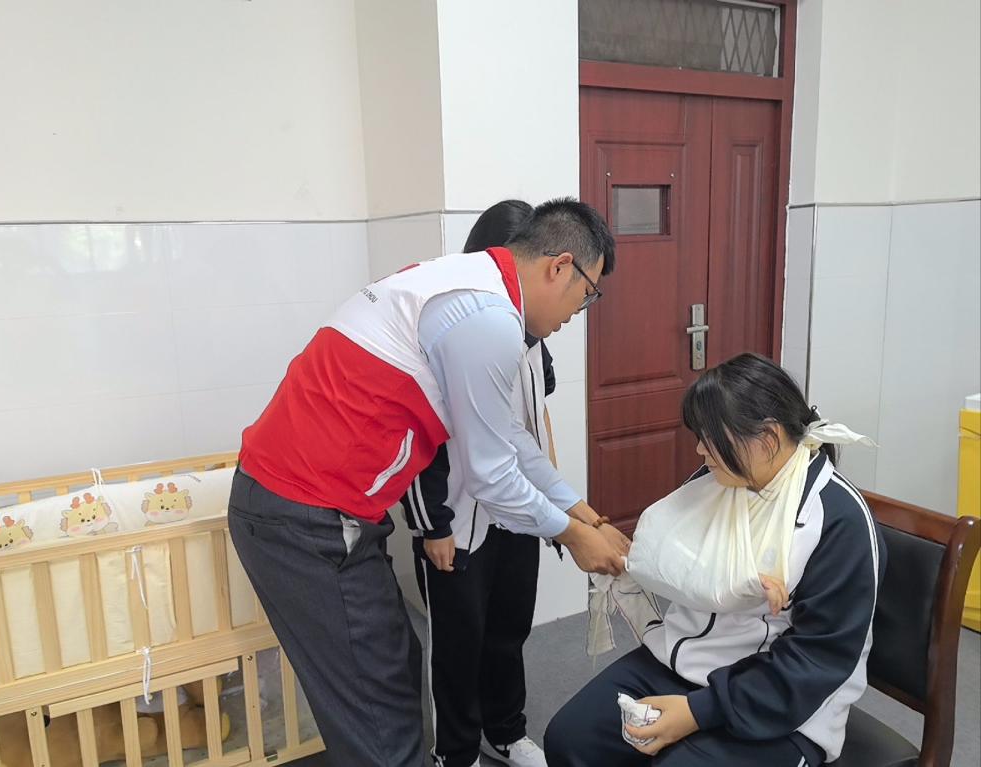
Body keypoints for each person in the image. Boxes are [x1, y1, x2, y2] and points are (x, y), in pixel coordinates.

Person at [228, 198, 629, 766]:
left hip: (321, 505)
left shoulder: (462, 285)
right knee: (380, 706)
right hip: (307, 512)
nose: (578, 313)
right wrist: (573, 535)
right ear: (559, 266)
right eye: (587, 294)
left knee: (393, 668)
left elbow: (510, 437)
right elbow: (492, 475)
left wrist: (579, 509)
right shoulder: (488, 318)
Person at [544, 353, 887, 767]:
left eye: (711, 438)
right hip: (680, 664)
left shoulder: (838, 520)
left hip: (782, 706)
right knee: (569, 739)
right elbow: (676, 560)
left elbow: (817, 660)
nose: (700, 449)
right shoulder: (715, 481)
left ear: (768, 437)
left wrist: (697, 712)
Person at [403, 201, 610, 767]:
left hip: (517, 510)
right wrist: (432, 525)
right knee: (457, 644)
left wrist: (565, 504)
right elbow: (418, 440)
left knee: (508, 629)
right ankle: (456, 751)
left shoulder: (531, 333)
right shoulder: (461, 327)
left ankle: (506, 731)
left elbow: (528, 427)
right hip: (457, 520)